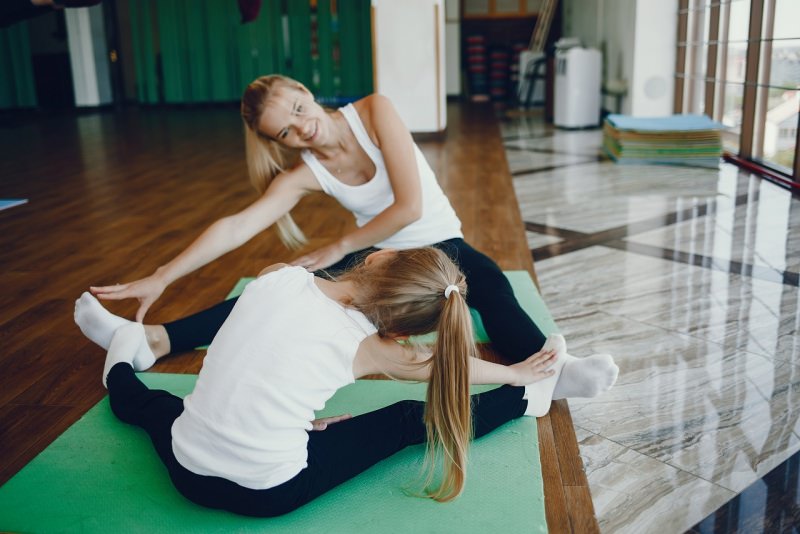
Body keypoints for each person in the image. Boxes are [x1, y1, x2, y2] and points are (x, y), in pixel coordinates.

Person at [90, 247, 618, 516]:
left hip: (188, 466)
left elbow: (253, 361)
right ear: (398, 328)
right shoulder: (369, 347)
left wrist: (296, 421)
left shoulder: (277, 277)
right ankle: (533, 395)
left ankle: (120, 363)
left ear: (377, 257)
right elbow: (447, 370)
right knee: (408, 421)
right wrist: (515, 370)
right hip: (265, 492)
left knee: (156, 407)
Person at [82, 74, 550, 368]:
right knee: (282, 292)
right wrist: (163, 276)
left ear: (306, 93)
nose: (301, 126)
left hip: (440, 238)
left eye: (298, 109)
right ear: (280, 142)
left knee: (489, 283)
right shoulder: (305, 172)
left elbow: (409, 207)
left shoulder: (374, 111)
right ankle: (154, 340)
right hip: (380, 255)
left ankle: (551, 365)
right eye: (285, 130)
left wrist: (342, 244)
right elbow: (236, 226)